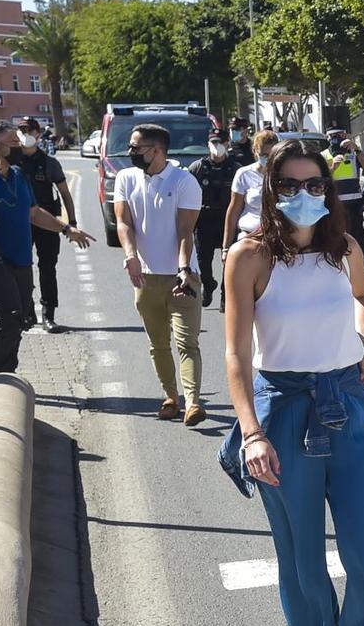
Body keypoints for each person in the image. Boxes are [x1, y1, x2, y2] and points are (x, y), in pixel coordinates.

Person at [220, 140, 364, 626]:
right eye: (290, 186)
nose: (305, 196)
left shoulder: (344, 248)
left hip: (348, 407)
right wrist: (251, 432)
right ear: (269, 191)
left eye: (315, 185)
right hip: (282, 410)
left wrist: (363, 345)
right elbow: (234, 352)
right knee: (301, 556)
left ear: (330, 190)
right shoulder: (248, 258)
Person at [0, 120, 91, 376]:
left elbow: (33, 213)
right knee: (9, 316)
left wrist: (66, 229)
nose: (18, 145)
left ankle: (7, 373)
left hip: (20, 260)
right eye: (12, 142)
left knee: (21, 319)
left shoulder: (19, 175)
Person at [113, 122, 206, 425]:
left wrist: (183, 268)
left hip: (182, 276)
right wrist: (131, 257)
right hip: (145, 277)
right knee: (158, 344)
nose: (130, 152)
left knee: (187, 342)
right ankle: (170, 396)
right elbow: (124, 222)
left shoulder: (184, 181)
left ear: (157, 150)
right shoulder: (126, 178)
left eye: (136, 147)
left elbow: (185, 230)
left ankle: (192, 402)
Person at [9, 114, 75, 333]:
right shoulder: (9, 159)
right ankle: (26, 312)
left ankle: (49, 315)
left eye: (30, 131)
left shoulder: (49, 163)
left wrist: (71, 222)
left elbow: (65, 193)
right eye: (22, 130)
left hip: (46, 222)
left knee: (47, 268)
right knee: (20, 268)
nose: (25, 135)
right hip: (18, 224)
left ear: (38, 135)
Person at [190, 129, 240, 309]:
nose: (217, 146)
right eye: (214, 142)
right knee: (203, 259)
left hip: (227, 219)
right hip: (204, 219)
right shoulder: (198, 167)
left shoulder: (235, 169)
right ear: (208, 144)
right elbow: (187, 191)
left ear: (228, 144)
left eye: (221, 142)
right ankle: (208, 283)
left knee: (229, 259)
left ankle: (225, 295)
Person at [225, 129, 279, 250]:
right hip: (249, 237)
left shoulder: (285, 174)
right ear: (255, 151)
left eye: (271, 155)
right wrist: (226, 247)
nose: (268, 159)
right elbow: (233, 210)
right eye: (263, 155)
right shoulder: (244, 174)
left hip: (278, 237)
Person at [328, 131, 364, 244]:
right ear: (328, 137)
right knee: (336, 242)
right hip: (335, 205)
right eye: (334, 136)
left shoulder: (354, 154)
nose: (338, 138)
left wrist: (357, 149)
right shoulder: (324, 155)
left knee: (357, 241)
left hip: (354, 205)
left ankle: (358, 261)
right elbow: (319, 179)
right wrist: (332, 167)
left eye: (341, 134)